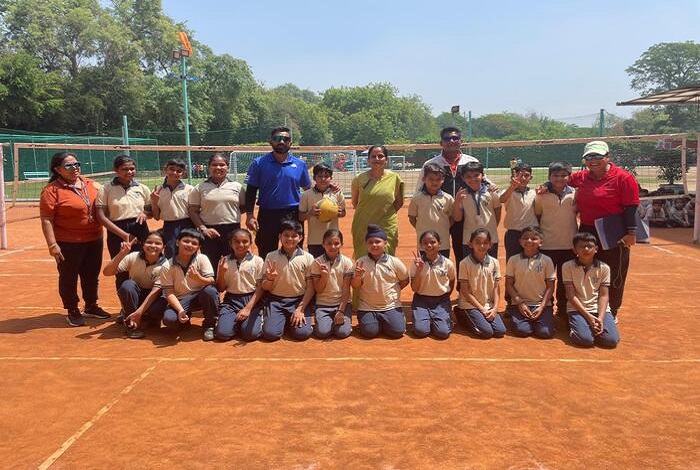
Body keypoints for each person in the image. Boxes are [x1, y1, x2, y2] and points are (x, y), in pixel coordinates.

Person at [569, 141, 640, 321]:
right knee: (587, 269)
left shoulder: (623, 177)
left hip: (613, 230)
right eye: (589, 157)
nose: (593, 160)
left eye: (598, 156)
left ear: (608, 157)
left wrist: (631, 233)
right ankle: (588, 307)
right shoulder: (582, 177)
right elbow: (561, 179)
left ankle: (611, 309)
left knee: (613, 271)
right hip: (587, 230)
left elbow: (631, 207)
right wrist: (547, 185)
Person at [40, 152, 110, 326]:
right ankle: (72, 309)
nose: (75, 168)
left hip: (94, 238)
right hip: (68, 242)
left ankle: (91, 306)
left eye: (77, 164)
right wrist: (52, 244)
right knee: (68, 277)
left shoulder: (90, 184)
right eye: (69, 165)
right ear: (58, 169)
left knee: (91, 275)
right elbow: (47, 219)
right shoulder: (51, 190)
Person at [419, 127, 492, 264]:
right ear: (441, 143)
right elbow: (420, 190)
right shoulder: (431, 164)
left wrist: (493, 187)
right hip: (440, 216)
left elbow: (485, 182)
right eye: (447, 138)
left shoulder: (470, 161)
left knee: (463, 254)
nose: (451, 141)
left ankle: (462, 278)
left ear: (461, 141)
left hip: (464, 216)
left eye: (455, 138)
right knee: (437, 253)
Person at [245, 127, 312, 259]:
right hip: (267, 214)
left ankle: (294, 272)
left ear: (290, 143)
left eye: (285, 139)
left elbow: (308, 189)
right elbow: (251, 190)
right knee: (266, 251)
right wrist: (249, 215)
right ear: (271, 141)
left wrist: (327, 189)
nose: (281, 141)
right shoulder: (259, 163)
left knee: (294, 250)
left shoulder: (299, 164)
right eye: (277, 138)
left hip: (293, 213)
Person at [96, 155, 151, 288]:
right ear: (116, 170)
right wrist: (124, 235)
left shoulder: (142, 188)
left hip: (140, 230)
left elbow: (151, 211)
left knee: (145, 266)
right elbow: (101, 216)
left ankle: (144, 299)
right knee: (121, 268)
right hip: (117, 231)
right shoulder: (106, 188)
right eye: (125, 169)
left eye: (132, 169)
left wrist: (145, 213)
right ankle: (126, 299)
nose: (129, 172)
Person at [102, 231, 168, 339]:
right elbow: (107, 272)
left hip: (153, 297)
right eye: (149, 242)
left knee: (158, 307)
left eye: (157, 243)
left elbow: (154, 293)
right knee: (127, 285)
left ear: (164, 247)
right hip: (136, 294)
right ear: (143, 244)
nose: (153, 246)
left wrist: (139, 313)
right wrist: (121, 254)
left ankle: (149, 318)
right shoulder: (133, 256)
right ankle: (131, 325)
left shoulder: (166, 265)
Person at [159, 228, 220, 341]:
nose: (189, 245)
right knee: (169, 320)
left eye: (194, 243)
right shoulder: (167, 266)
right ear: (178, 242)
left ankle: (210, 325)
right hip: (181, 300)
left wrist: (198, 278)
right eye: (186, 241)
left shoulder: (202, 258)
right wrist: (180, 310)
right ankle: (184, 322)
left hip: (200, 297)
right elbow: (169, 293)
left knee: (210, 291)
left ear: (198, 247)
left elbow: (211, 281)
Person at [534, 162, 578, 318]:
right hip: (547, 245)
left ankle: (563, 309)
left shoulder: (575, 194)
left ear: (569, 176)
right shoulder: (541, 195)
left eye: (563, 175)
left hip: (569, 245)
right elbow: (538, 215)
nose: (559, 179)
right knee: (546, 280)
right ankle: (546, 308)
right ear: (549, 177)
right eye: (555, 175)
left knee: (566, 280)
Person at [260, 219, 315, 341]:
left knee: (302, 334)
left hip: (299, 301)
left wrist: (300, 309)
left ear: (300, 237)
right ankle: (281, 320)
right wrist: (270, 279)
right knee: (271, 334)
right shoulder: (271, 256)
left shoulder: (308, 258)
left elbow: (311, 287)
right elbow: (264, 286)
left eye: (294, 236)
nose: (290, 239)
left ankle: (289, 320)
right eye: (286, 235)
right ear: (280, 236)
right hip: (276, 301)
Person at [189, 153, 246, 271]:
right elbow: (193, 211)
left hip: (232, 229)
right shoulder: (200, 187)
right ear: (209, 167)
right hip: (209, 231)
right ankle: (212, 282)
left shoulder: (237, 187)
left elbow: (243, 207)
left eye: (222, 165)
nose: (218, 167)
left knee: (232, 262)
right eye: (214, 165)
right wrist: (204, 229)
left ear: (227, 168)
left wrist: (228, 215)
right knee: (211, 263)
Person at [562, 232, 620, 348]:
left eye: (590, 246)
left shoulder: (604, 268)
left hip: (598, 309)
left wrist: (600, 318)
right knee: (586, 340)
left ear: (596, 249)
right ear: (574, 250)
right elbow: (571, 296)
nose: (586, 249)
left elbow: (604, 296)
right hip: (577, 309)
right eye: (582, 246)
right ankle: (578, 327)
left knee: (611, 341)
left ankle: (589, 327)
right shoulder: (567, 266)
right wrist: (589, 317)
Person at [351, 224, 409, 339]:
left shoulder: (394, 262)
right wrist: (357, 277)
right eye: (370, 242)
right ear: (366, 244)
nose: (374, 245)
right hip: (367, 307)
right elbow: (355, 286)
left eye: (378, 242)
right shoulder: (361, 262)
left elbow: (405, 280)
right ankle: (374, 322)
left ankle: (391, 320)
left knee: (397, 332)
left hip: (390, 306)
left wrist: (393, 291)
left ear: (385, 243)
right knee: (369, 333)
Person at [351, 145, 405, 259]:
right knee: (363, 259)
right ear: (368, 160)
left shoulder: (395, 178)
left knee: (387, 259)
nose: (377, 159)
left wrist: (384, 213)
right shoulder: (359, 179)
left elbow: (399, 202)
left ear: (386, 160)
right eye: (373, 156)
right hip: (363, 225)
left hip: (386, 225)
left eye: (380, 156)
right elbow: (355, 202)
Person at [505, 226, 556, 339]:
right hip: (519, 304)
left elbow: (550, 287)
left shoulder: (547, 260)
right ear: (520, 241)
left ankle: (542, 320)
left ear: (541, 242)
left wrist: (542, 307)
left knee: (545, 333)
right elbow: (509, 284)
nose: (529, 241)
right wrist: (520, 303)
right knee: (523, 331)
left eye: (534, 238)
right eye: (525, 238)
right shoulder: (513, 260)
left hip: (541, 304)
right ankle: (521, 320)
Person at [454, 228, 506, 339]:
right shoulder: (464, 263)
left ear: (490, 245)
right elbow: (465, 291)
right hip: (469, 304)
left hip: (488, 305)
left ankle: (477, 317)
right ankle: (462, 313)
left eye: (485, 243)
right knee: (486, 332)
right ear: (470, 244)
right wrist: (482, 309)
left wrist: (495, 309)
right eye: (477, 242)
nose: (482, 246)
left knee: (500, 331)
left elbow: (496, 288)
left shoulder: (495, 262)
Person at [214, 229, 265, 342]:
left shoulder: (258, 261)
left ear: (251, 243)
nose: (241, 245)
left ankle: (252, 321)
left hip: (252, 300)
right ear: (230, 243)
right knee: (223, 334)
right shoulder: (224, 260)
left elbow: (260, 288)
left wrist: (247, 309)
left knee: (250, 335)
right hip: (231, 301)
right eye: (236, 242)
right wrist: (221, 272)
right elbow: (221, 288)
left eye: (245, 241)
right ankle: (234, 324)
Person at [409, 230, 456, 339]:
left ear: (439, 244)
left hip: (441, 301)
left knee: (443, 333)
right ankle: (424, 318)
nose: (429, 245)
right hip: (421, 300)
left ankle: (442, 318)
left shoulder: (447, 263)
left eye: (433, 242)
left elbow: (452, 280)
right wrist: (419, 270)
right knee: (421, 331)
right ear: (421, 246)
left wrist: (445, 296)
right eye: (425, 243)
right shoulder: (416, 263)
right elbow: (414, 288)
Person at [309, 229, 353, 340]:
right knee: (322, 333)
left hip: (342, 304)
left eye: (336, 243)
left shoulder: (347, 262)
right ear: (323, 244)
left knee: (342, 333)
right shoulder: (317, 262)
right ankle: (328, 323)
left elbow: (346, 289)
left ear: (342, 244)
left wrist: (341, 311)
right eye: (329, 243)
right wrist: (324, 276)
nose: (333, 247)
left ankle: (340, 323)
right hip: (323, 304)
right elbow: (318, 290)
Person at [452, 162, 501, 260]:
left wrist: (491, 228)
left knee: (490, 266)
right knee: (470, 266)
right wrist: (457, 201)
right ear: (463, 178)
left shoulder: (491, 192)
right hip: (469, 240)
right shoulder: (462, 195)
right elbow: (457, 218)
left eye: (476, 175)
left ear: (482, 176)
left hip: (490, 238)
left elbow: (497, 212)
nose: (473, 179)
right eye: (468, 177)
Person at [299, 163, 346, 258]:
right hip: (314, 240)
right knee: (316, 265)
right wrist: (310, 213)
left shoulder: (337, 193)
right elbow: (300, 217)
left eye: (326, 176)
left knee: (333, 265)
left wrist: (338, 213)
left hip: (332, 239)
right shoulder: (306, 195)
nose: (323, 179)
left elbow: (343, 213)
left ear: (331, 178)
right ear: (314, 178)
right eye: (320, 176)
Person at [408, 163, 454, 258]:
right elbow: (412, 217)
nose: (434, 182)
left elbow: (452, 217)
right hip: (424, 242)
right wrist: (420, 228)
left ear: (443, 180)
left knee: (442, 264)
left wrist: (445, 226)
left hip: (442, 241)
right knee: (424, 264)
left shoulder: (448, 198)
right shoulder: (417, 198)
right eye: (431, 179)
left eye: (438, 179)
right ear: (424, 179)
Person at [150, 159, 194, 258]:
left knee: (189, 251)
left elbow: (194, 211)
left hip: (188, 224)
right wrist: (154, 202)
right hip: (169, 225)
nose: (175, 173)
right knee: (171, 251)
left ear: (183, 173)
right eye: (172, 169)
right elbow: (156, 217)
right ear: (165, 170)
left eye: (179, 171)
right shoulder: (158, 191)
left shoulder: (189, 189)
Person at [499, 162, 537, 262]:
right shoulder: (508, 192)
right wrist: (512, 187)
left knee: (532, 262)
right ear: (514, 176)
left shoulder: (535, 193)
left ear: (531, 177)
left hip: (531, 233)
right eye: (520, 175)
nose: (523, 178)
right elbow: (502, 199)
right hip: (513, 234)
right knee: (513, 263)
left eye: (526, 175)